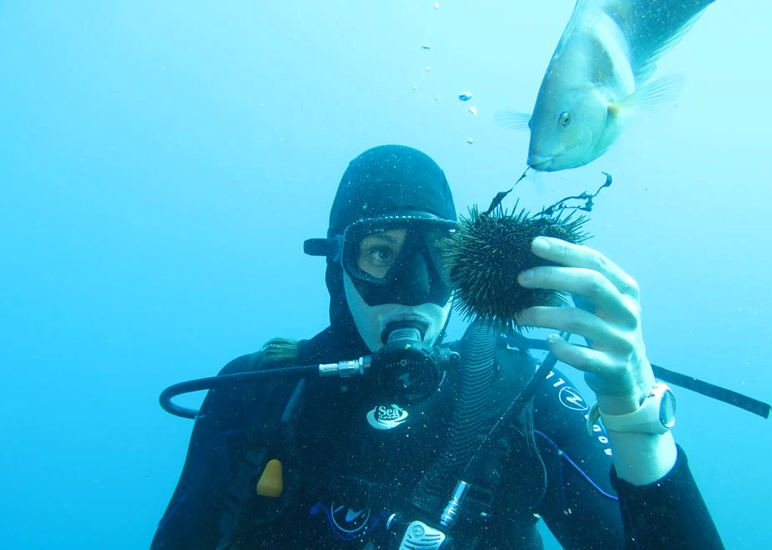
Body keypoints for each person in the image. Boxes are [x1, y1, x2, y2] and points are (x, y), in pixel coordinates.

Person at [152, 145, 724, 549]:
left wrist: (636, 422)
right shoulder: (259, 389)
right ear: (336, 269)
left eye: (437, 255)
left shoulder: (518, 395)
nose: (413, 287)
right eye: (379, 253)